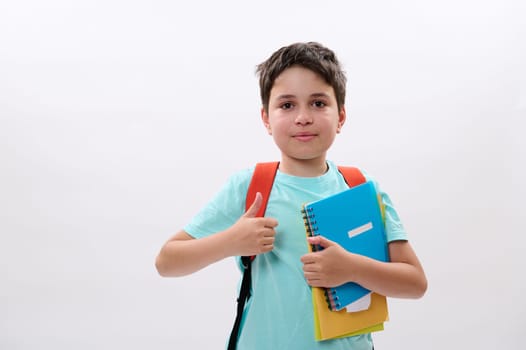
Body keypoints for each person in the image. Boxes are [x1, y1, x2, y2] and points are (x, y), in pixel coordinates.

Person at [155, 41, 427, 350]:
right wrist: (231, 241)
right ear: (266, 119)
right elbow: (167, 261)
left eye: (318, 103)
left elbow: (415, 282)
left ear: (341, 116)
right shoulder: (250, 187)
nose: (303, 117)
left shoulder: (361, 189)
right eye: (287, 105)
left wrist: (351, 268)